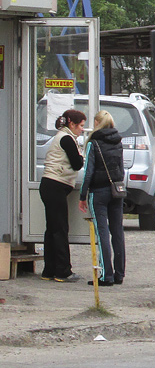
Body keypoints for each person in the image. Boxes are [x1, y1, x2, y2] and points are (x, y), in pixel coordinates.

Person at [78, 110, 125, 286]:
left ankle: (106, 275)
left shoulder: (94, 143)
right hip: (116, 190)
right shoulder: (118, 142)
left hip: (98, 192)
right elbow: (121, 168)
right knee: (117, 232)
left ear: (98, 122)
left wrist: (83, 195)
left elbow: (88, 172)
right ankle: (120, 273)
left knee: (102, 233)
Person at [39, 108, 86, 282]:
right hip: (56, 185)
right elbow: (76, 164)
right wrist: (81, 156)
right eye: (81, 125)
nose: (82, 129)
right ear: (71, 124)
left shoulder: (60, 136)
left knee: (52, 228)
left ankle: (49, 270)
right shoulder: (67, 139)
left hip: (49, 184)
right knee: (60, 229)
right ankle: (63, 271)